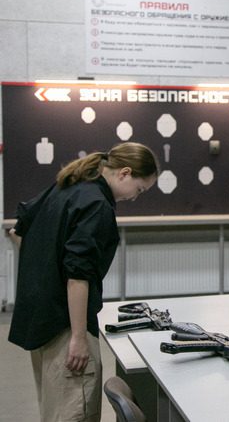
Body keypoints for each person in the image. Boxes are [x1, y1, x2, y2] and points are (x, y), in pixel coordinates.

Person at [8, 142, 159, 422]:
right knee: (76, 412)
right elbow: (78, 276)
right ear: (125, 173)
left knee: (55, 411)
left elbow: (18, 229)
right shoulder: (97, 205)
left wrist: (44, 269)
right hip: (67, 327)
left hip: (41, 323)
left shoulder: (67, 186)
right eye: (139, 189)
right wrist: (78, 337)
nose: (135, 197)